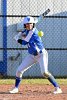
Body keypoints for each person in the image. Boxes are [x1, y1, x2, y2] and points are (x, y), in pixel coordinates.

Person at [9, 16, 62, 94]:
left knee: (45, 73)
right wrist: (21, 33)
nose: (29, 26)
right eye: (27, 24)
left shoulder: (33, 32)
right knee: (19, 71)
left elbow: (24, 42)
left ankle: (57, 88)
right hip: (31, 56)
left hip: (41, 55)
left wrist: (17, 38)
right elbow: (25, 33)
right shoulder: (27, 31)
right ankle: (16, 88)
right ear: (25, 25)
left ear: (33, 24)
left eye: (30, 24)